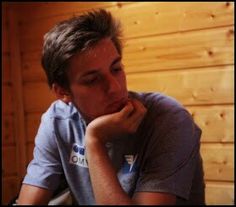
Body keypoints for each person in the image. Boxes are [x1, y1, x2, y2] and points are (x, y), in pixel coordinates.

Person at [17, 9, 205, 205]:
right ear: (63, 92)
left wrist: (94, 140)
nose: (115, 88)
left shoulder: (168, 118)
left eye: (116, 69)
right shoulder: (57, 120)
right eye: (92, 80)